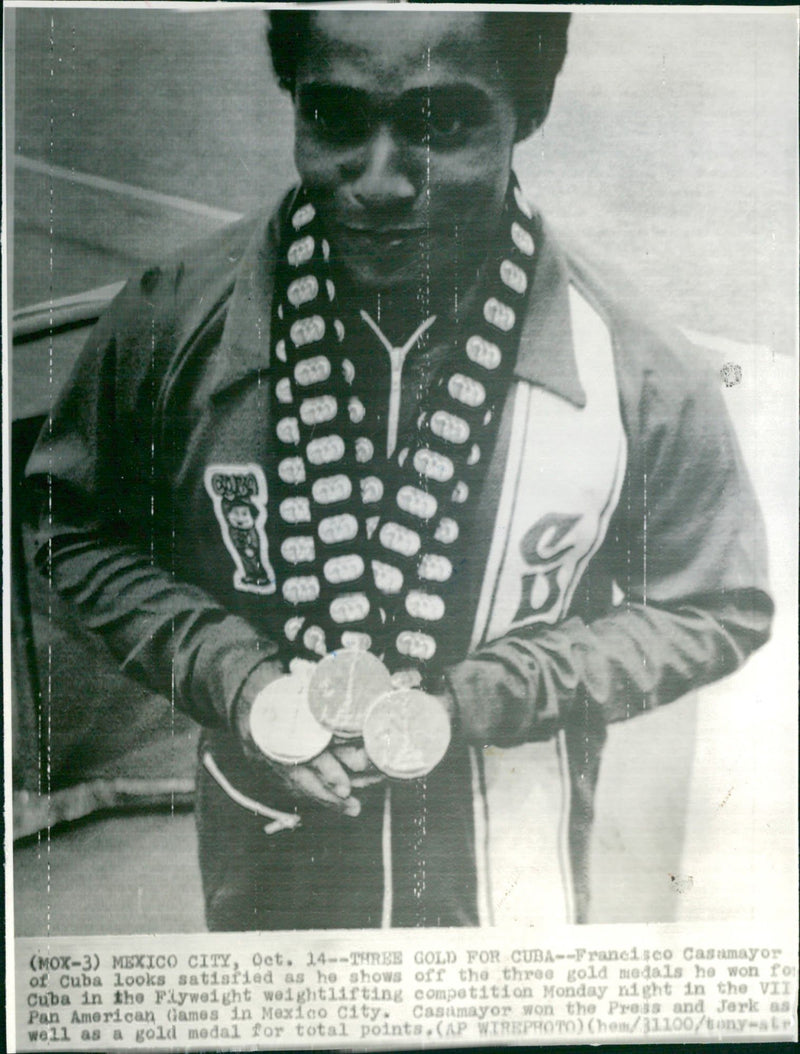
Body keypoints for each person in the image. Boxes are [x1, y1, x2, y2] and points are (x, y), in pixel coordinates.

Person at [26, 10, 772, 930]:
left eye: (441, 123)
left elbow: (716, 605)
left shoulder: (633, 361)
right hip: (263, 848)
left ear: (527, 111)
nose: (378, 181)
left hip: (511, 865)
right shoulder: (172, 320)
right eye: (335, 119)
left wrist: (482, 696)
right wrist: (242, 680)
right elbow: (70, 528)